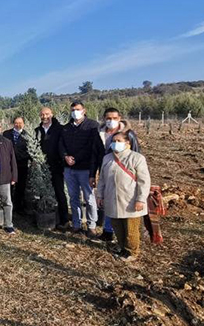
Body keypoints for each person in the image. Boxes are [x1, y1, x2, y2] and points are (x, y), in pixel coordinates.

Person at [96, 130, 151, 262]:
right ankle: (122, 248)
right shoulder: (107, 158)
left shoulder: (136, 158)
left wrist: (140, 199)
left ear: (128, 143)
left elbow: (144, 181)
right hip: (112, 199)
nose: (115, 144)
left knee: (131, 229)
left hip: (130, 201)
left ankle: (132, 252)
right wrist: (99, 195)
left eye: (119, 141)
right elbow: (102, 179)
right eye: (113, 141)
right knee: (117, 227)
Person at [90, 108, 140, 242]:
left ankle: (127, 237)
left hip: (125, 175)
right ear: (104, 119)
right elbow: (94, 155)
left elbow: (136, 155)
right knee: (108, 202)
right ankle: (108, 232)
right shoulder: (99, 134)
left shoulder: (128, 134)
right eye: (108, 118)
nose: (111, 121)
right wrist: (92, 174)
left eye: (114, 118)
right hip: (106, 172)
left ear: (120, 118)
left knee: (124, 203)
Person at [58, 101, 100, 238]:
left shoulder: (92, 126)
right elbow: (61, 145)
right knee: (73, 197)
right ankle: (76, 224)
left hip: (85, 168)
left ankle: (91, 225)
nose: (75, 112)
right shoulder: (66, 128)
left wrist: (75, 158)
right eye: (73, 110)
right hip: (69, 169)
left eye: (78, 109)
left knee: (89, 197)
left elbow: (91, 147)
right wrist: (65, 157)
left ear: (84, 110)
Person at [34, 107, 70, 228]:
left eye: (47, 114)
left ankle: (64, 219)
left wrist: (63, 165)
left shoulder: (60, 129)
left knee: (59, 191)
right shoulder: (37, 131)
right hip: (41, 167)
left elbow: (64, 147)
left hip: (56, 166)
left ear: (52, 114)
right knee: (42, 192)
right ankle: (45, 215)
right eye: (42, 114)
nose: (45, 116)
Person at [3, 116, 30, 214]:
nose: (18, 125)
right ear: (13, 123)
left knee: (21, 187)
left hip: (22, 165)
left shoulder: (28, 135)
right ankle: (8, 207)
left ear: (24, 124)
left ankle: (18, 207)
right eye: (16, 123)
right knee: (8, 187)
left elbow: (31, 150)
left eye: (20, 123)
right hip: (8, 166)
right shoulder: (6, 134)